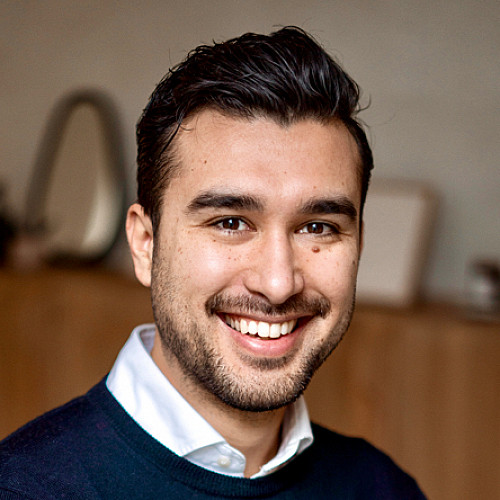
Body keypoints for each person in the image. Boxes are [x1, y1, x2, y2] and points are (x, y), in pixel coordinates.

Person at [0, 27, 426, 498]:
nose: (278, 283)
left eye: (317, 227)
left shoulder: (383, 488)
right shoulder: (24, 488)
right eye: (230, 222)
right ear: (145, 243)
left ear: (359, 245)